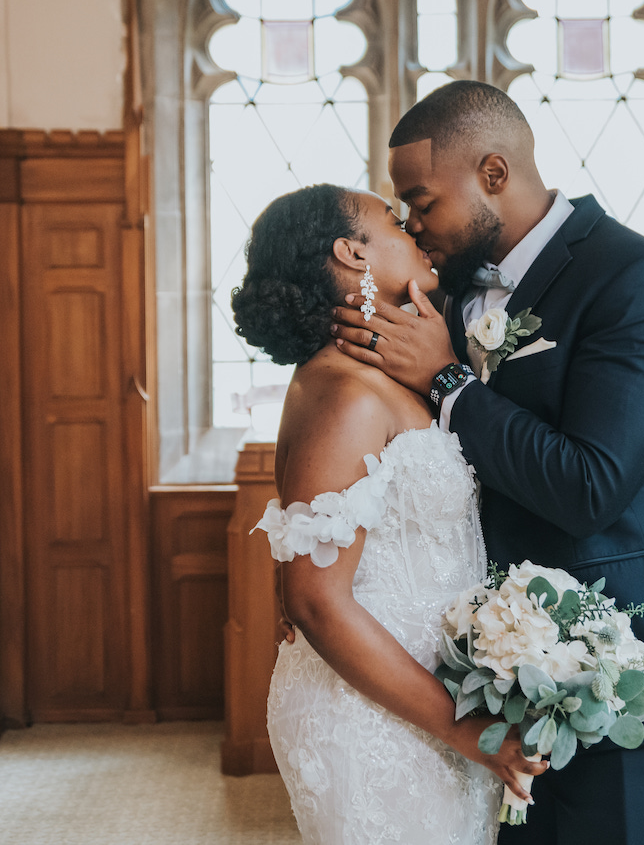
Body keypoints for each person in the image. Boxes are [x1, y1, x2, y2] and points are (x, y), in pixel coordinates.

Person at [329, 80, 644, 844]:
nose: (413, 224)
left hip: (631, 669)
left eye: (423, 201)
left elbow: (588, 484)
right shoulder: (446, 288)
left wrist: (449, 379)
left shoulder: (636, 280)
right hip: (494, 677)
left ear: (493, 173)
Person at [231, 183, 546, 845]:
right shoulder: (342, 390)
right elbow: (315, 599)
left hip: (424, 704)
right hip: (372, 717)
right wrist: (468, 731)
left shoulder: (379, 373)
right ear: (353, 252)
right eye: (395, 224)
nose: (417, 234)